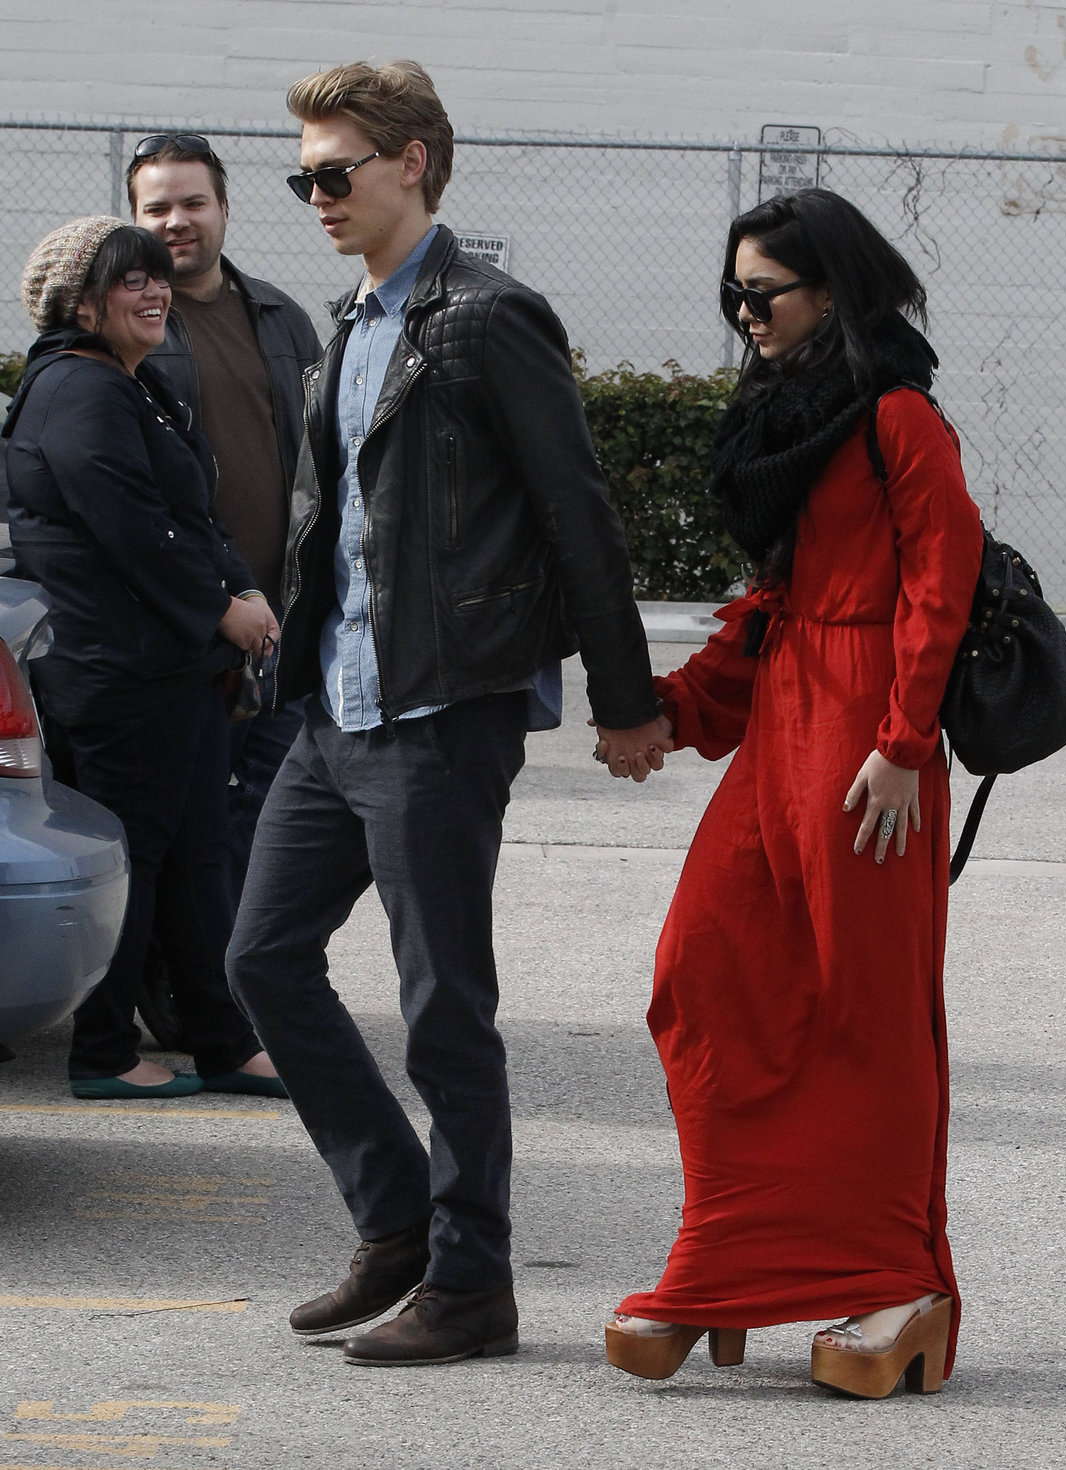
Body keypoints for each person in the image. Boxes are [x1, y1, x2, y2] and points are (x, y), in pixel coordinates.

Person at [225, 61, 665, 1368]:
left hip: (437, 711)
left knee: (443, 1006)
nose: (313, 193)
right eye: (302, 174)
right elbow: (335, 525)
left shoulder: (485, 317)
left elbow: (577, 510)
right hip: (335, 710)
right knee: (259, 958)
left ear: (413, 161)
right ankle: (399, 1216)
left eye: (335, 170)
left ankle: (473, 1283)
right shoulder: (351, 322)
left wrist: (625, 700)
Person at [602, 189, 983, 1397]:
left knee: (861, 1015)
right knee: (704, 979)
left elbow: (942, 577)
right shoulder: (783, 417)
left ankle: (898, 1284)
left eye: (763, 293)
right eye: (735, 295)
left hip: (872, 749)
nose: (745, 315)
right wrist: (683, 708)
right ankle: (730, 1263)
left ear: (834, 291)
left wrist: (904, 742)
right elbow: (777, 600)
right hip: (785, 735)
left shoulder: (899, 416)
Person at [2, 217, 285, 1100]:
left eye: (159, 278)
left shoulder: (135, 385)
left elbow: (195, 517)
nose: (155, 293)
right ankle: (102, 1053)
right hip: (121, 676)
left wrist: (244, 594)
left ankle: (220, 1036)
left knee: (199, 855)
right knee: (147, 859)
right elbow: (133, 527)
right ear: (80, 303)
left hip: (173, 669)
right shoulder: (78, 391)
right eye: (132, 281)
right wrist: (218, 608)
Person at [128, 132, 323, 906]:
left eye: (192, 202)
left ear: (223, 210)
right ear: (135, 218)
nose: (176, 219)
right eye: (157, 206)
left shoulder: (281, 318)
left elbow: (322, 460)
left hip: (284, 619)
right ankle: (193, 984)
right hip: (191, 625)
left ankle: (233, 974)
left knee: (272, 812)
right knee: (189, 820)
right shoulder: (127, 327)